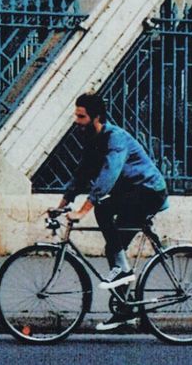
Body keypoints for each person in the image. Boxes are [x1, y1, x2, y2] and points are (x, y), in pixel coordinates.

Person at [52, 92, 168, 328]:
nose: (76, 120)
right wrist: (61, 206)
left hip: (149, 192)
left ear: (96, 117)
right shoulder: (92, 140)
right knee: (114, 250)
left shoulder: (115, 139)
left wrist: (83, 210)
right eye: (76, 115)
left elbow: (108, 175)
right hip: (131, 195)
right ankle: (126, 311)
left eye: (81, 116)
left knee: (102, 209)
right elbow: (81, 174)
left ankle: (123, 274)